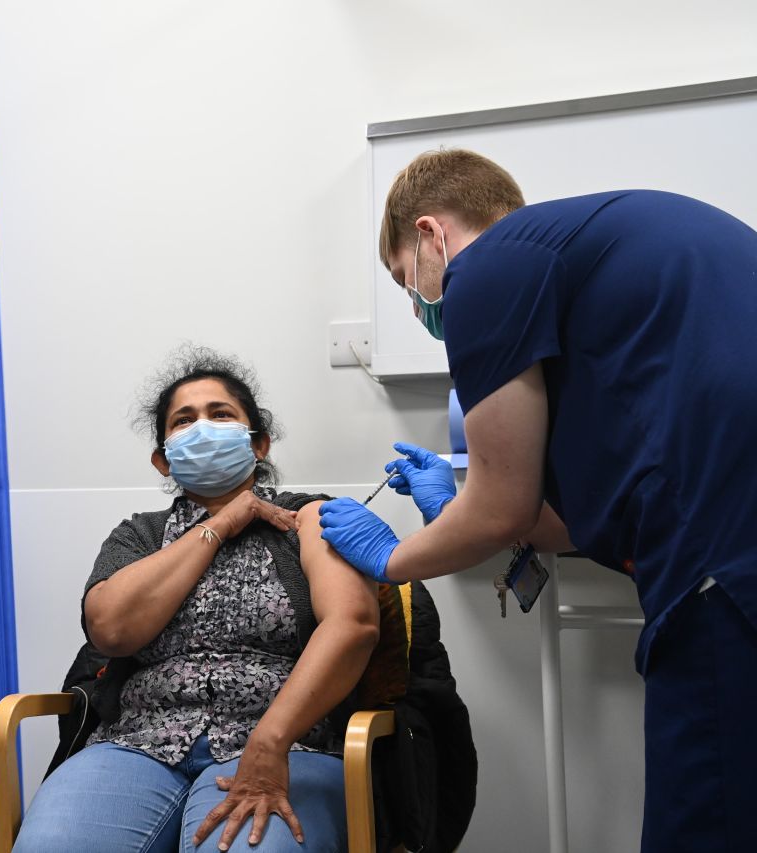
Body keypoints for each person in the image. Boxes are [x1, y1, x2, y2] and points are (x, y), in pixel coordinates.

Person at [318, 148, 757, 853]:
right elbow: (563, 516)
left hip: (725, 565)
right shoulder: (593, 275)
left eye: (408, 282)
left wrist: (394, 554)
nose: (421, 304)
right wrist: (458, 502)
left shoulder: (487, 269)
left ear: (432, 235)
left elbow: (503, 508)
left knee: (706, 822)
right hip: (729, 534)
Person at [13, 347, 381, 853]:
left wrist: (270, 741)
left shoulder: (311, 518)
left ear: (259, 444)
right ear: (163, 458)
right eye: (183, 421)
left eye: (221, 414)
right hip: (135, 745)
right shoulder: (139, 536)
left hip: (284, 742)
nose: (203, 427)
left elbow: (353, 625)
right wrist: (224, 521)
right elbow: (111, 630)